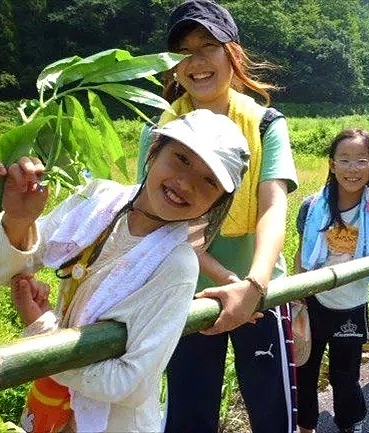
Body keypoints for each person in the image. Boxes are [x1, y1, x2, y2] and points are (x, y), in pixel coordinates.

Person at [0, 110, 250, 432]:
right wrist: (18, 220)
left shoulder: (175, 264)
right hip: (52, 408)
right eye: (181, 158)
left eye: (209, 181)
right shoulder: (96, 200)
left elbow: (131, 384)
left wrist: (41, 331)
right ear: (154, 151)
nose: (185, 183)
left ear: (219, 200)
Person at [136, 2, 299, 432]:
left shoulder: (266, 124)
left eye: (209, 46)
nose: (197, 61)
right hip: (183, 293)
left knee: (272, 413)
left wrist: (253, 286)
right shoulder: (160, 133)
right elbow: (155, 219)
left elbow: (272, 207)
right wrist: (227, 280)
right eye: (184, 51)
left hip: (261, 293)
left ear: (233, 54)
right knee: (189, 415)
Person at [294, 129, 369, 433]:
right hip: (314, 299)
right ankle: (306, 426)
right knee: (305, 369)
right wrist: (296, 292)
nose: (352, 169)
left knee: (345, 375)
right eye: (344, 160)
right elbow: (302, 254)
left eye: (360, 161)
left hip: (352, 304)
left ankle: (347, 425)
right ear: (331, 164)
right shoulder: (312, 205)